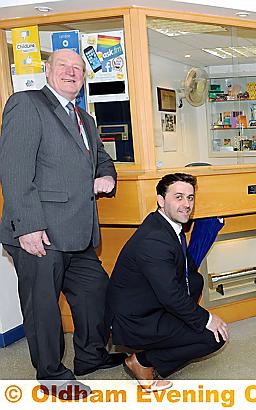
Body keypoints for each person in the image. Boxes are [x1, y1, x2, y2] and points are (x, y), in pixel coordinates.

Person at [0, 49, 124, 399]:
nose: (71, 73)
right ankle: (52, 375)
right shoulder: (26, 104)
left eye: (77, 69)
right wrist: (26, 226)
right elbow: (14, 170)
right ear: (47, 70)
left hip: (77, 230)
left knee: (95, 292)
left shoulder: (85, 118)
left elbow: (102, 158)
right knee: (43, 307)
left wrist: (106, 175)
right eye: (63, 66)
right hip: (39, 230)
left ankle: (89, 356)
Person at [106, 173, 228, 391]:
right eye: (179, 197)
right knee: (213, 337)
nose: (186, 204)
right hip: (137, 319)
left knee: (195, 281)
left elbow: (186, 276)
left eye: (190, 198)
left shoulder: (168, 227)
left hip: (154, 305)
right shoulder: (154, 239)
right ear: (161, 201)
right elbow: (171, 294)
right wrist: (206, 318)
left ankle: (151, 356)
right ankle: (142, 361)